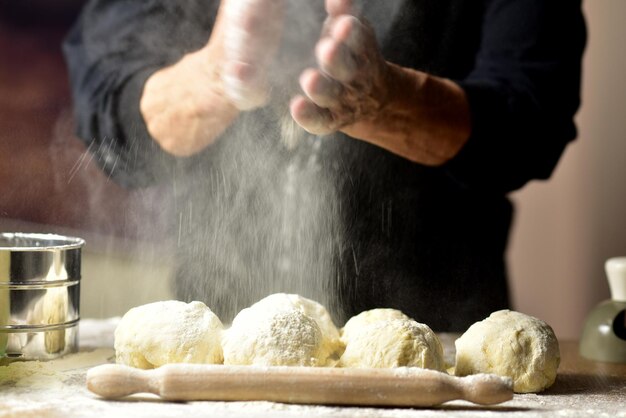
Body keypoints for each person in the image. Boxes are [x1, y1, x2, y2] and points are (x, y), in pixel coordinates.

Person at [63, 0, 586, 331]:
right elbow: (108, 111)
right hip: (217, 355)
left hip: (444, 357)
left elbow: (530, 121)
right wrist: (218, 76)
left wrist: (387, 101)